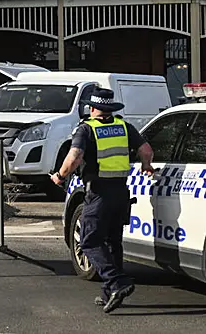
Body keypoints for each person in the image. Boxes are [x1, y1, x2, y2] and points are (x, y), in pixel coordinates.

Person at [50, 87, 155, 313]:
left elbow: (75, 156)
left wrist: (59, 176)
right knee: (112, 241)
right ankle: (110, 292)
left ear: (92, 108)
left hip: (98, 193)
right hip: (121, 192)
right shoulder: (124, 127)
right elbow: (146, 149)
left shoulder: (86, 129)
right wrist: (146, 165)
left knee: (88, 241)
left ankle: (118, 282)